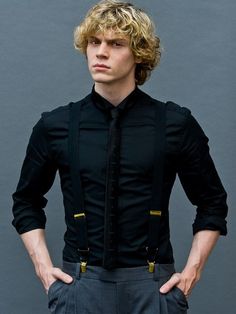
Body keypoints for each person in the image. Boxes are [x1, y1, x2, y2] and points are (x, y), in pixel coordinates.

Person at [12, 1, 228, 313]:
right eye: (94, 42)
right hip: (79, 288)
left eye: (116, 44)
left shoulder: (175, 124)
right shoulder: (55, 125)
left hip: (153, 288)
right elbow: (26, 201)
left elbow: (212, 202)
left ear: (139, 53)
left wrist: (192, 271)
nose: (100, 52)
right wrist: (44, 270)